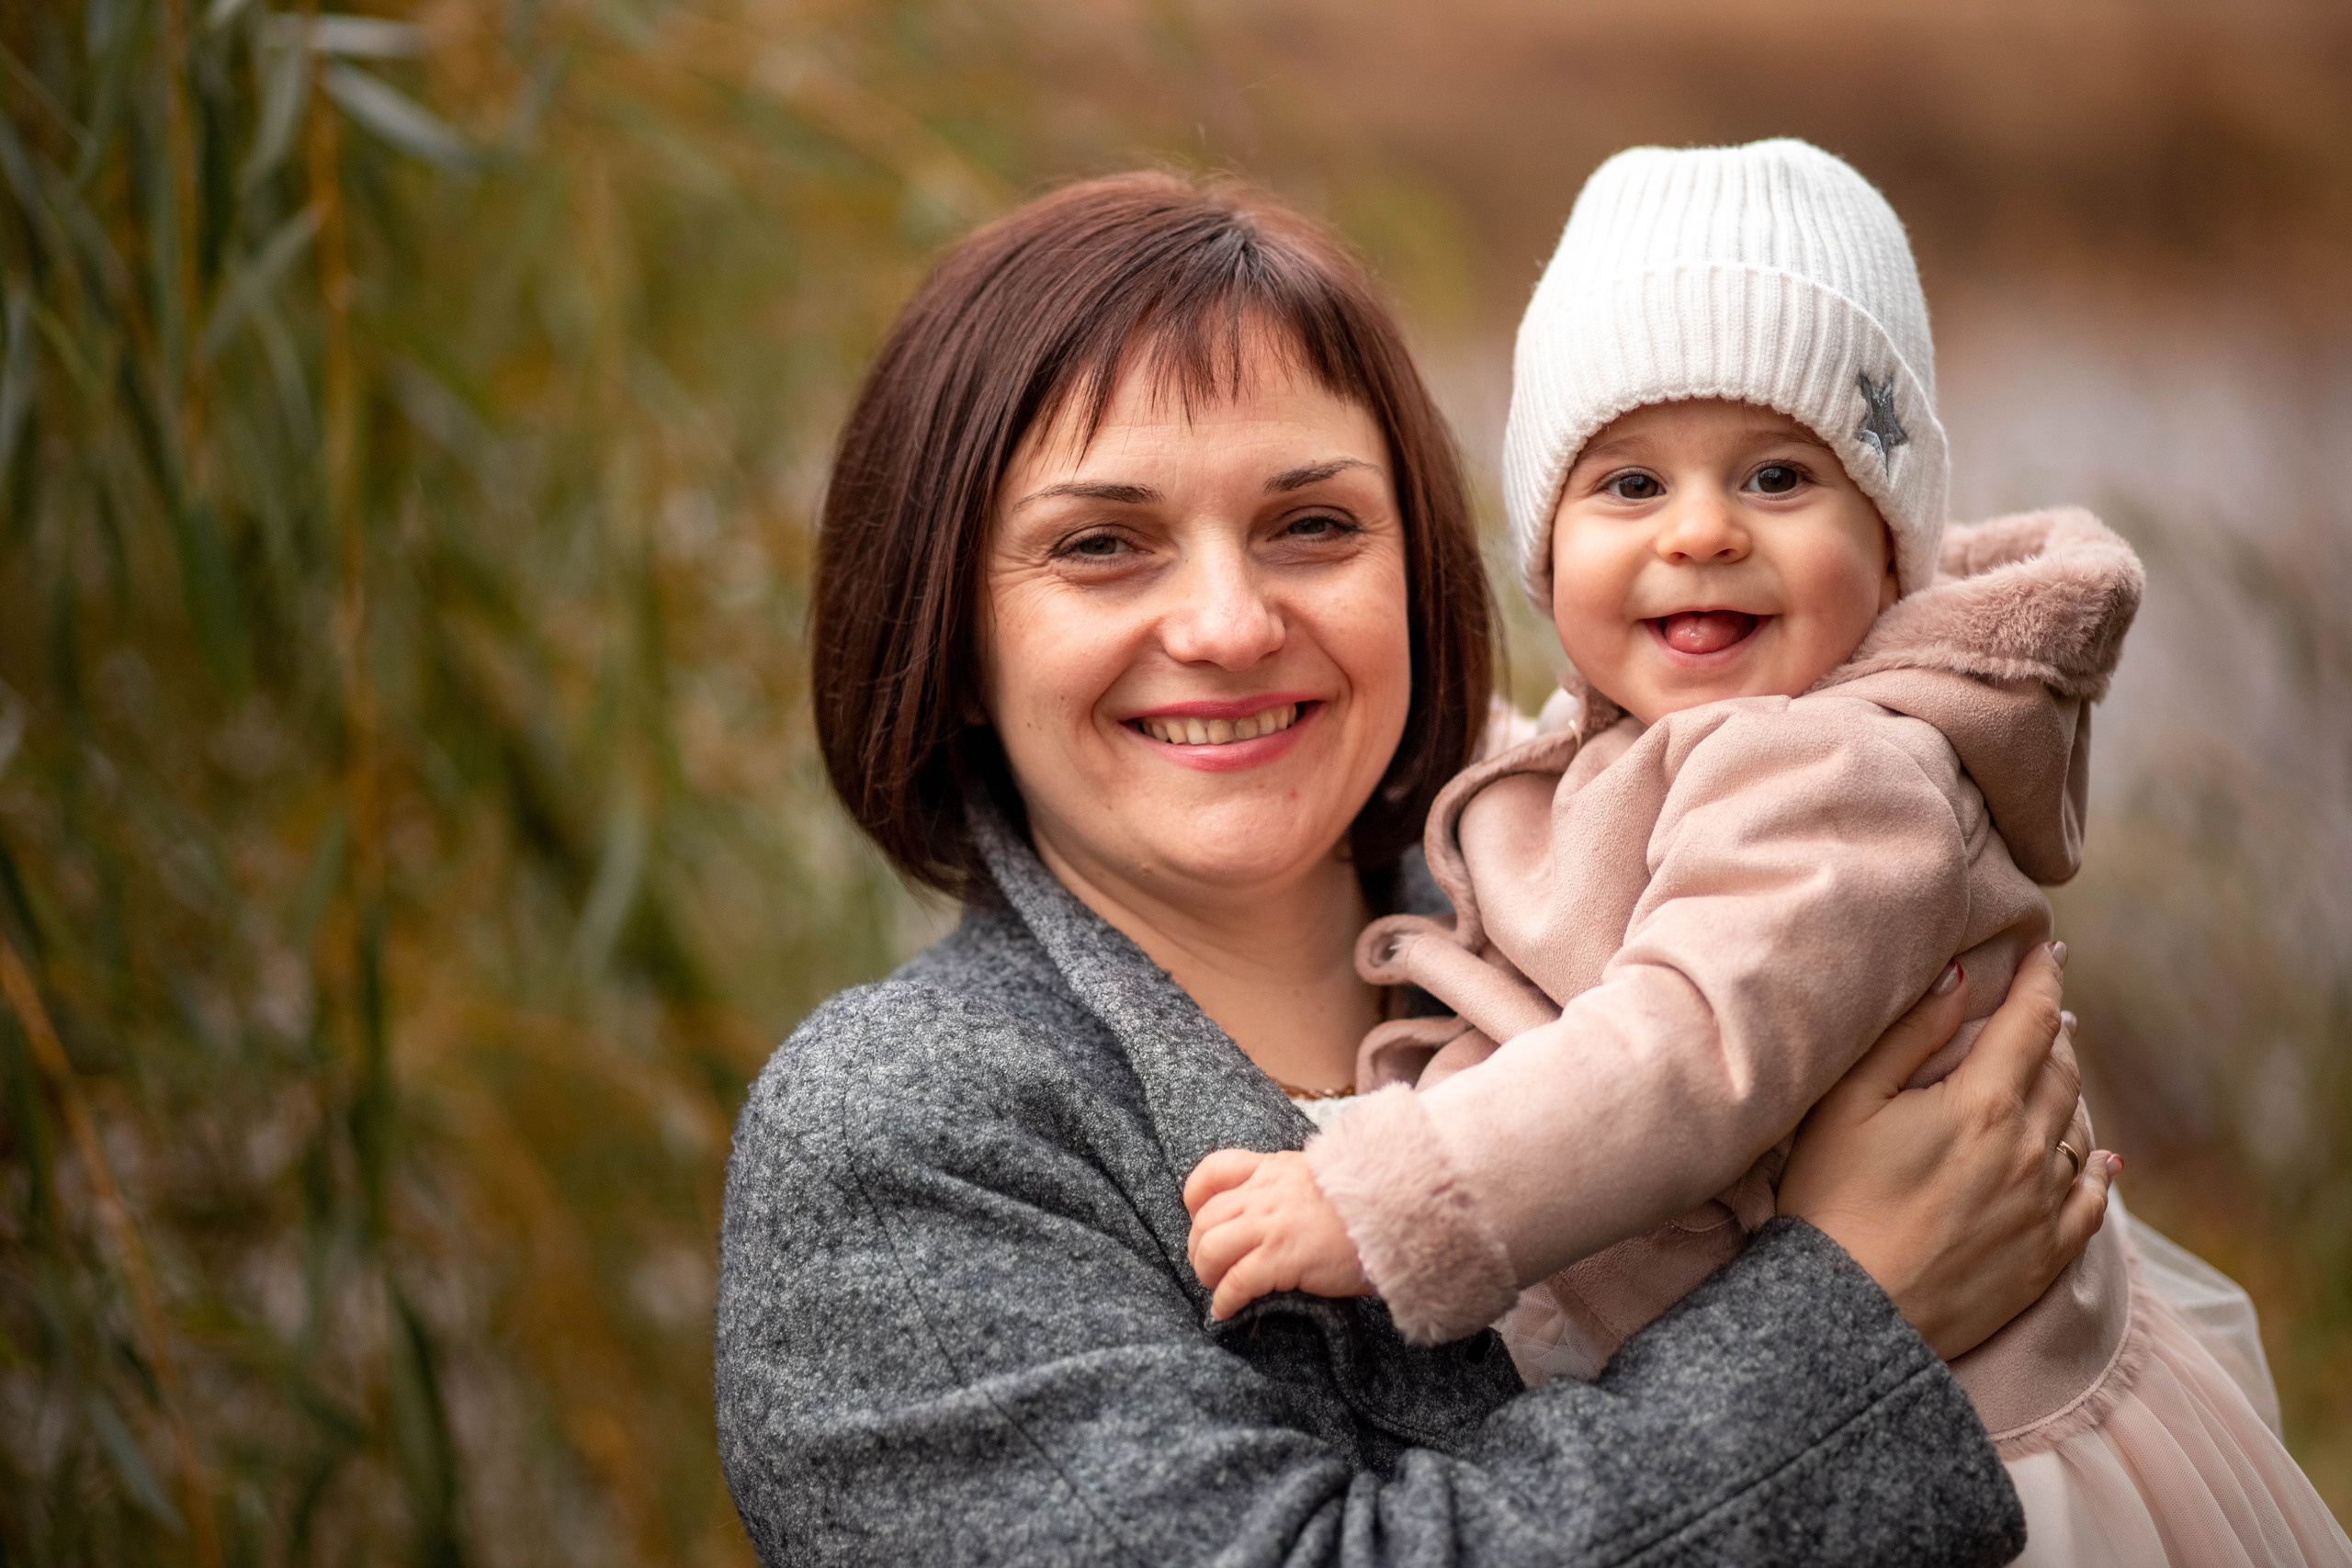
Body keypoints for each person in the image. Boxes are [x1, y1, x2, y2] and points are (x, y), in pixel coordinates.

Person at [715, 169, 2116, 1567]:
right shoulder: (902, 1140)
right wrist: (1857, 1305)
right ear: (953, 638)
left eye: (1312, 525)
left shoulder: (1631, 891)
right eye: (1101, 547)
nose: (1227, 624)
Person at [1185, 141, 2352, 1566]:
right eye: (1626, 485)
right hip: (1821, 1421)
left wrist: (1389, 1199)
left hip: (1964, 1464)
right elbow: (1570, 833)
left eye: (1779, 474)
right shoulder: (1646, 742)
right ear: (1546, 548)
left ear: (1888, 538)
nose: (1700, 532)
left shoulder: (1840, 775)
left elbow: (1683, 1045)